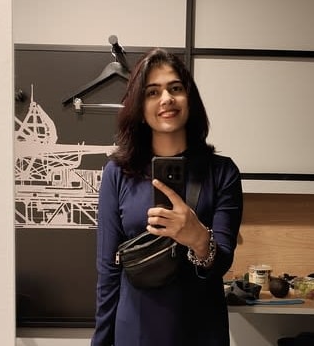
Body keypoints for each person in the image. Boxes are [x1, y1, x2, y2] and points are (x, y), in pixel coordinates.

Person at [91, 48, 243, 346]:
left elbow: (223, 262)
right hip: (136, 330)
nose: (166, 99)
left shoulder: (222, 172)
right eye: (152, 92)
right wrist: (101, 341)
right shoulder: (117, 174)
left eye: (175, 88)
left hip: (201, 330)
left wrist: (198, 238)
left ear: (189, 99)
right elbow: (108, 271)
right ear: (140, 107)